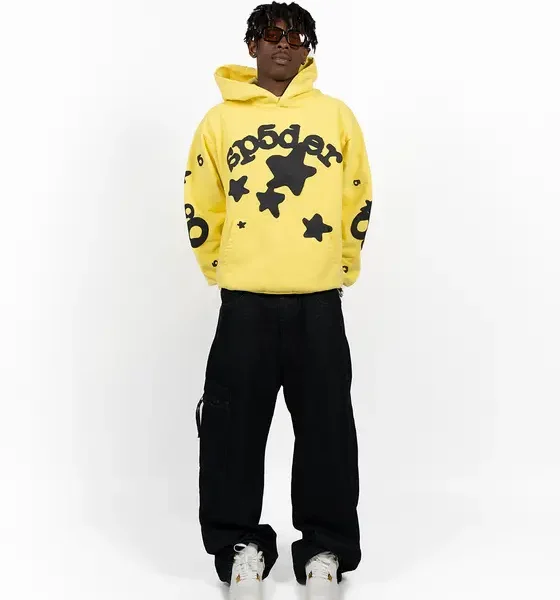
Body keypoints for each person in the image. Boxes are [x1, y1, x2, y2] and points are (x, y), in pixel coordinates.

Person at [183, 3, 373, 599]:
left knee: (327, 430)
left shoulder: (335, 116)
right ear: (252, 46)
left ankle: (324, 550)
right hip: (245, 302)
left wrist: (340, 264)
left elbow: (358, 193)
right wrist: (223, 267)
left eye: (296, 37)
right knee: (231, 430)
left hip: (318, 300)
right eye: (271, 35)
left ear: (308, 48)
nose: (283, 45)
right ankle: (240, 547)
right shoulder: (219, 121)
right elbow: (201, 199)